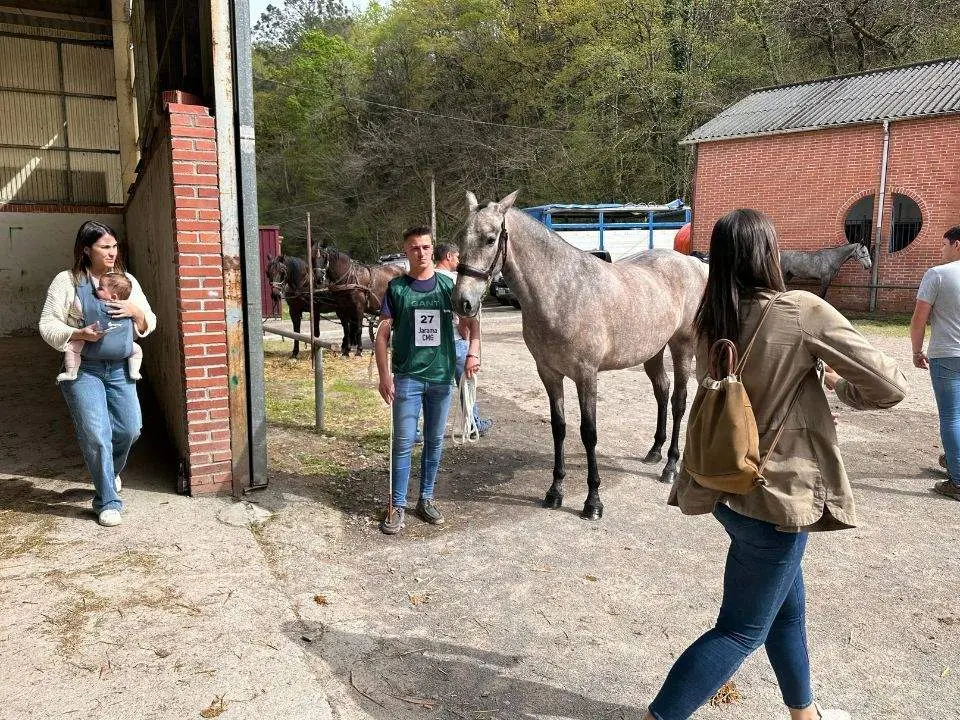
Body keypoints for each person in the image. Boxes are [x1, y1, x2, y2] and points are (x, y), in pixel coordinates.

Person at [646, 209, 907, 720]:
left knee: (787, 613)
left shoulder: (710, 317)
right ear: (769, 253)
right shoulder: (801, 310)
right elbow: (890, 386)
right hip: (777, 496)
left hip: (726, 485)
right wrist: (835, 383)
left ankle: (803, 714)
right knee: (740, 630)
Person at [39, 221, 156, 527]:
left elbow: (149, 321)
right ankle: (107, 499)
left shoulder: (125, 280)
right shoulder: (67, 282)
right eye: (105, 247)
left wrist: (136, 312)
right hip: (84, 369)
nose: (112, 252)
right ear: (85, 250)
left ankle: (109, 471)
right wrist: (79, 331)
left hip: (119, 368)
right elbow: (47, 324)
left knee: (131, 429)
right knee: (96, 435)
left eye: (114, 246)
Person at [375, 227, 480, 535]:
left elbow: (472, 325)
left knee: (434, 442)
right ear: (405, 252)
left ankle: (426, 499)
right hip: (407, 378)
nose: (420, 252)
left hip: (441, 378)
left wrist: (473, 354)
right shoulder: (396, 288)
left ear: (433, 249)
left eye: (425, 247)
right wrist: (384, 376)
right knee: (404, 443)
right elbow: (382, 336)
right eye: (413, 248)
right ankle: (396, 505)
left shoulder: (450, 287)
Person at [910, 225, 960, 501]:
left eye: (944, 245)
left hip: (948, 352)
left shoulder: (937, 275)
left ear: (957, 245)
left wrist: (917, 351)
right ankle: (955, 457)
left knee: (951, 415)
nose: (941, 250)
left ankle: (958, 479)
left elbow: (919, 320)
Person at [434, 241, 493, 436]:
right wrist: (467, 339)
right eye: (457, 256)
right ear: (448, 257)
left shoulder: (428, 280)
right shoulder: (454, 281)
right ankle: (473, 424)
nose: (459, 261)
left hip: (433, 344)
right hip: (455, 340)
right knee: (466, 384)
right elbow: (464, 315)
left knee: (430, 387)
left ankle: (418, 429)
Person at [57, 273, 143, 383]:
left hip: (92, 346)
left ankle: (71, 373)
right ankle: (134, 371)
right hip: (123, 347)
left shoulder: (93, 303)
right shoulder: (128, 306)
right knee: (137, 350)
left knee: (73, 348)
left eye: (101, 288)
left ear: (113, 297)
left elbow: (78, 306)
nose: (96, 289)